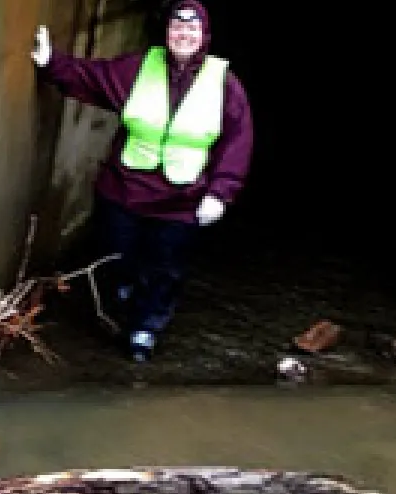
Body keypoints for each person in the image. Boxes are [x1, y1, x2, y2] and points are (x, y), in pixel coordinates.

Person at [31, 0, 255, 362]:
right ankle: (123, 296)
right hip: (124, 190)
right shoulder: (137, 67)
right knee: (117, 257)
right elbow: (92, 77)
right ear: (167, 33)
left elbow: (238, 142)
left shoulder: (225, 85)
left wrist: (220, 193)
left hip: (183, 198)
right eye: (177, 29)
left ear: (204, 37)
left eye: (191, 30)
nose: (183, 35)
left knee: (166, 266)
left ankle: (145, 329)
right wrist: (51, 62)